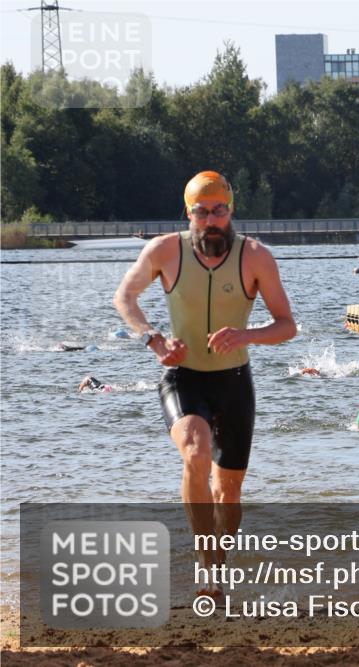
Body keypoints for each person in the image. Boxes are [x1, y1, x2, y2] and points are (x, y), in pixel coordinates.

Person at [113, 171, 296, 595]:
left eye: (219, 210)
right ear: (188, 213)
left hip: (234, 380)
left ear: (231, 211)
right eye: (202, 212)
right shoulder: (164, 251)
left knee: (228, 494)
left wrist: (246, 335)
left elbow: (287, 325)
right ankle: (206, 565)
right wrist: (153, 339)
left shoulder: (256, 257)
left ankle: (220, 560)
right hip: (182, 375)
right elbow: (124, 296)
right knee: (195, 451)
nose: (211, 220)